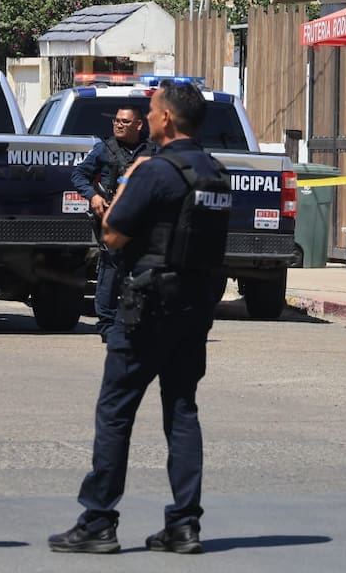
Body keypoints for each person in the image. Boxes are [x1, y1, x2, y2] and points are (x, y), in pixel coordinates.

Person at [50, 81, 230, 556]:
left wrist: (129, 178)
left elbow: (112, 234)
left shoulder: (154, 171)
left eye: (151, 111)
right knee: (182, 411)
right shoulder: (215, 172)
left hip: (147, 308)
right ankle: (185, 525)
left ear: (167, 119)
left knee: (116, 413)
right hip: (195, 309)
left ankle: (98, 522)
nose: (146, 118)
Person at [69, 106, 152, 338]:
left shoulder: (153, 151)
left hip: (144, 223)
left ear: (138, 125)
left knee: (142, 273)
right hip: (113, 219)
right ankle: (107, 324)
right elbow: (78, 175)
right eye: (116, 121)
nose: (118, 125)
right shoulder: (104, 149)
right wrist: (93, 196)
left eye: (125, 122)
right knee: (111, 271)